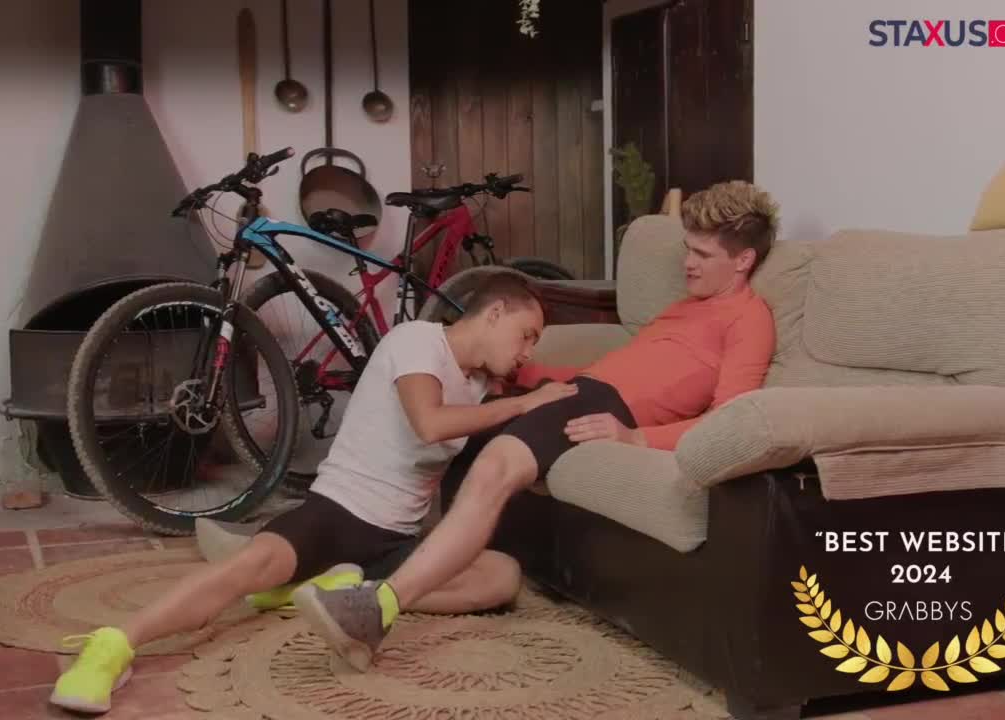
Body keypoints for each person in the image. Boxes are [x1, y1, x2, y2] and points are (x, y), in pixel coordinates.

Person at [290, 180, 780, 671]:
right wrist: (528, 375)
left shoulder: (748, 319)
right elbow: (612, 369)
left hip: (606, 408)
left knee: (496, 466)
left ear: (743, 261)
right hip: (581, 391)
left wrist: (637, 437)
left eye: (702, 254)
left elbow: (728, 421)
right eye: (688, 249)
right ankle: (355, 553)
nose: (688, 263)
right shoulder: (686, 306)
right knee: (459, 435)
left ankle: (375, 609)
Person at [48, 273, 576, 714]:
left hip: (397, 537)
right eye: (526, 335)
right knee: (244, 573)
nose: (528, 352)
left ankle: (342, 587)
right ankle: (113, 645)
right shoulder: (418, 341)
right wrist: (522, 405)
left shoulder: (481, 386)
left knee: (501, 576)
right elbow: (430, 423)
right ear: (494, 313)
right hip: (338, 515)